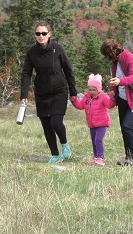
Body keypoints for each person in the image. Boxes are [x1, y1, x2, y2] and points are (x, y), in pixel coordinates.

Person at [20, 21, 78, 164]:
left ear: (49, 34)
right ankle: (55, 155)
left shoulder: (57, 49)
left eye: (44, 33)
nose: (41, 36)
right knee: (46, 125)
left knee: (56, 122)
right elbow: (26, 73)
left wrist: (73, 92)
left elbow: (68, 71)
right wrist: (24, 94)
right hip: (41, 93)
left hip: (59, 91)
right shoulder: (31, 52)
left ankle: (65, 146)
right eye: (38, 33)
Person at [102, 39, 133, 166]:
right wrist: (113, 91)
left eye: (108, 55)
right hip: (122, 98)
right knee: (123, 127)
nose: (108, 59)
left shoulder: (131, 58)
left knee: (127, 125)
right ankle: (128, 157)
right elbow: (114, 79)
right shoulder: (115, 61)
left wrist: (120, 81)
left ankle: (132, 157)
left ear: (113, 51)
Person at [70, 74, 116, 166]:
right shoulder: (86, 97)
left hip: (102, 123)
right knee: (94, 140)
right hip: (92, 124)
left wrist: (113, 99)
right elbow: (80, 106)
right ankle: (95, 156)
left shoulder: (103, 96)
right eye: (90, 89)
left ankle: (100, 157)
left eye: (94, 90)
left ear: (98, 89)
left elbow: (110, 105)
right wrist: (74, 101)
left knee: (98, 140)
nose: (91, 92)